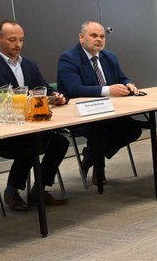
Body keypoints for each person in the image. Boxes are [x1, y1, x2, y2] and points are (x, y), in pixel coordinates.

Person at [0, 19, 71, 211]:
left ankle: (39, 189)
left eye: (21, 40)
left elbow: (43, 88)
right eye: (12, 40)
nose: (18, 44)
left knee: (60, 141)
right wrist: (26, 100)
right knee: (30, 144)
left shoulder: (29, 64)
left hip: (30, 124)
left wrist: (55, 97)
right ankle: (12, 191)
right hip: (2, 128)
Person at [56, 21, 142, 185]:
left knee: (134, 129)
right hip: (79, 115)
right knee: (99, 131)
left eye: (102, 36)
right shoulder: (68, 58)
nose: (99, 40)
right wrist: (109, 90)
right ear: (81, 38)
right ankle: (98, 169)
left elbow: (122, 78)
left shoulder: (109, 56)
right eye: (94, 35)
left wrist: (129, 83)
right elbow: (75, 89)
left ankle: (91, 156)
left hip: (109, 112)